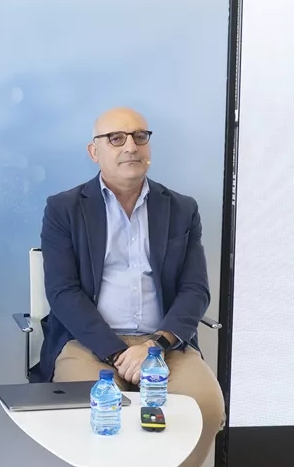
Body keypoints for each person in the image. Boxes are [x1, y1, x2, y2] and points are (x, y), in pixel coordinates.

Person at [37, 107, 225, 467]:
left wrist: (154, 347)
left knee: (205, 407)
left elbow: (195, 289)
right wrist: (116, 353)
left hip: (165, 345)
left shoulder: (182, 209)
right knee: (87, 415)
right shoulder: (64, 208)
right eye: (116, 138)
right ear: (94, 151)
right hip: (90, 345)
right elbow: (63, 292)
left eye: (140, 136)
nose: (130, 147)